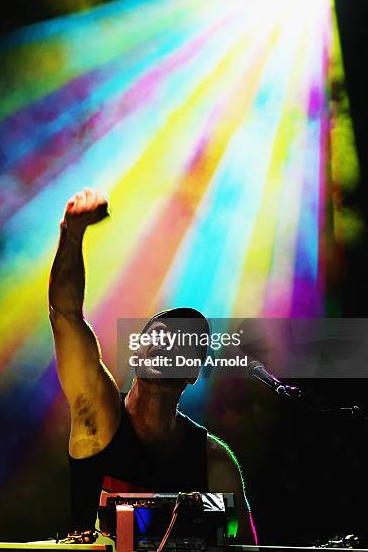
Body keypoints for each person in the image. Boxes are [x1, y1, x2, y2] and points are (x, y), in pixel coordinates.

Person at [48, 187, 257, 545]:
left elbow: (239, 546)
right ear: (136, 354)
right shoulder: (100, 418)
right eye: (159, 334)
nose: (169, 343)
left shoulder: (210, 461)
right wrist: (72, 232)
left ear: (193, 372)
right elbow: (65, 316)